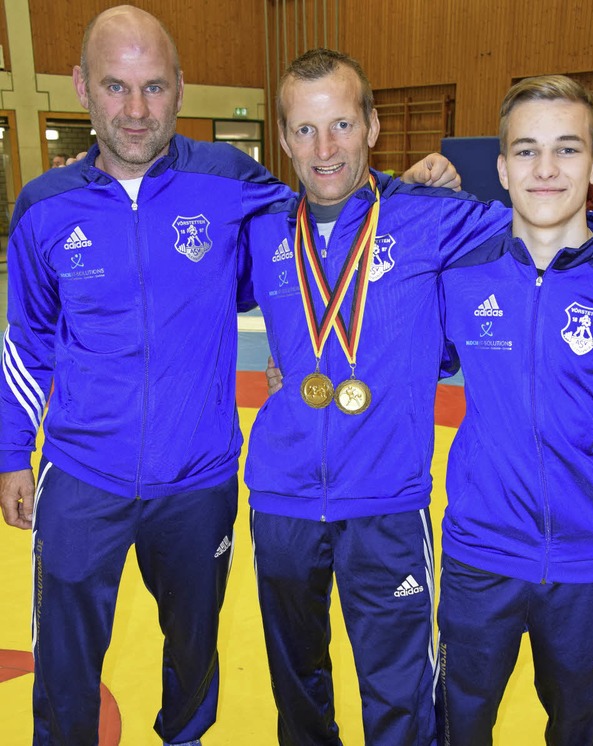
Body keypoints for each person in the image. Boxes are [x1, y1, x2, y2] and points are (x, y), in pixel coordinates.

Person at [0, 8, 457, 746]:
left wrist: (405, 188)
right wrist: (8, 452)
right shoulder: (43, 208)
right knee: (65, 663)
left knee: (193, 656)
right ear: (82, 87)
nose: (137, 109)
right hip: (81, 475)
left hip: (199, 478)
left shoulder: (230, 182)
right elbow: (28, 338)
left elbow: (328, 216)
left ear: (181, 88)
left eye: (154, 87)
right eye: (116, 87)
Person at [435, 75, 593, 745]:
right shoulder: (460, 274)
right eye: (525, 151)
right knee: (459, 728)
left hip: (588, 563)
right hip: (479, 556)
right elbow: (398, 359)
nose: (546, 169)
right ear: (500, 167)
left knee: (581, 732)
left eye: (567, 149)